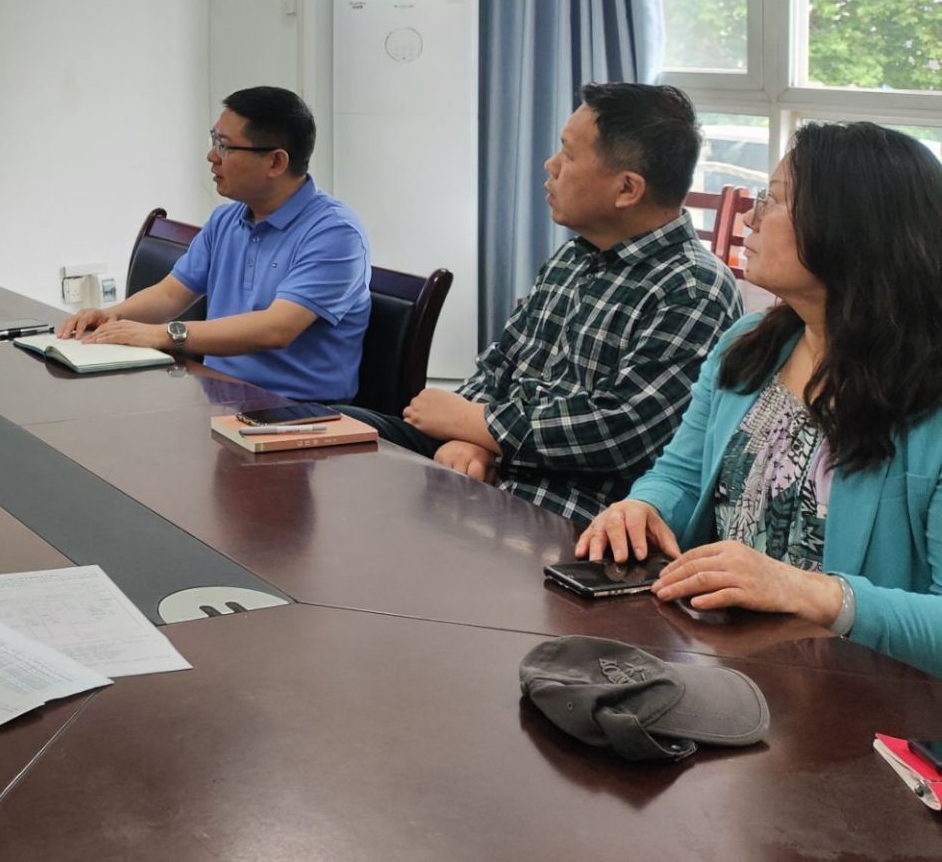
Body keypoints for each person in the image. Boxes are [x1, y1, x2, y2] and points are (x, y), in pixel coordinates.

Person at [577, 122, 942, 677]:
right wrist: (643, 508)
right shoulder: (749, 345)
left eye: (773, 200)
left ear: (850, 225)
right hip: (730, 667)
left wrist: (810, 592)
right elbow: (680, 475)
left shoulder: (927, 393)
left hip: (859, 697)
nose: (750, 217)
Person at [346, 83, 743, 525]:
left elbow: (617, 432)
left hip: (565, 504)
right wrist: (469, 439)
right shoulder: (574, 256)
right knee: (335, 432)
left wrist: (479, 425)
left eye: (568, 155)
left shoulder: (692, 288)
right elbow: (501, 364)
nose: (550, 165)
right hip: (495, 465)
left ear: (627, 189)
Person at [58, 87, 372, 402]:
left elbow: (276, 329)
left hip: (299, 411)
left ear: (276, 162)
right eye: (214, 140)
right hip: (219, 395)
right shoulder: (226, 220)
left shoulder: (336, 233)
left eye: (224, 146)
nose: (212, 156)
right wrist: (111, 316)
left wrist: (161, 335)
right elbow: (170, 295)